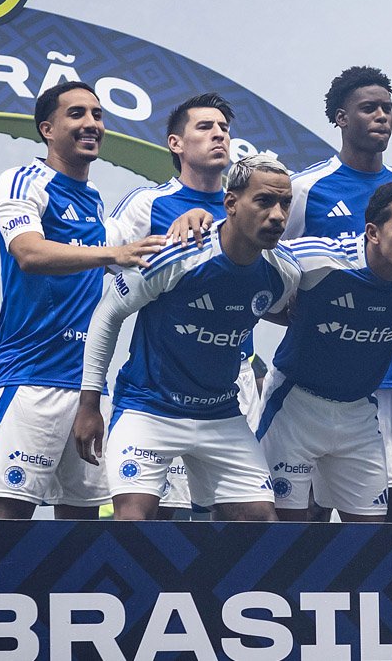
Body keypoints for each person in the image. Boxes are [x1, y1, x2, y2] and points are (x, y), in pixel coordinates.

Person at [72, 154, 300, 521]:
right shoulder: (176, 254)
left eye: (285, 203)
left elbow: (263, 305)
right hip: (149, 408)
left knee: (262, 526)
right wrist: (89, 405)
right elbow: (107, 314)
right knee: (132, 523)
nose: (277, 214)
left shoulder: (285, 272)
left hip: (221, 414)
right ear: (231, 204)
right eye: (264, 201)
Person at [0, 81, 166, 520]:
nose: (91, 124)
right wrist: (114, 254)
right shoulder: (23, 180)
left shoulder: (94, 200)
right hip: (29, 377)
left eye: (98, 115)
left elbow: (123, 256)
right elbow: (29, 253)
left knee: (83, 523)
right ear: (47, 129)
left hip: (87, 387)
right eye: (77, 114)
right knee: (9, 519)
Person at [258, 181, 392, 522]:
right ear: (373, 232)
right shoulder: (320, 258)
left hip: (358, 413)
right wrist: (279, 311)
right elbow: (251, 253)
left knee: (371, 541)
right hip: (294, 407)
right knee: (284, 536)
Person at [283, 66, 392, 523]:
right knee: (307, 521)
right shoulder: (307, 190)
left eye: (387, 108)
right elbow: (275, 273)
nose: (382, 116)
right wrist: (304, 319)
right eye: (369, 108)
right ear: (341, 118)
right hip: (319, 382)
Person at [105, 92, 245, 519]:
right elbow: (108, 273)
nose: (218, 134)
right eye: (205, 127)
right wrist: (170, 251)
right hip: (159, 390)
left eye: (223, 128)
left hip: (233, 388)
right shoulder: (147, 205)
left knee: (234, 521)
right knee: (161, 519)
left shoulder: (248, 207)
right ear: (176, 143)